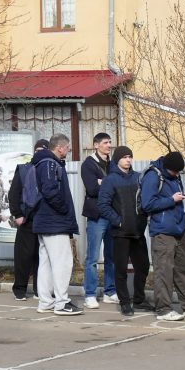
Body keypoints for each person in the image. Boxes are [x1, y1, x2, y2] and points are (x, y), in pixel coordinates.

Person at [139, 151, 185, 321]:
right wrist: (171, 200)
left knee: (184, 269)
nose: (177, 174)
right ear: (168, 167)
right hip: (162, 231)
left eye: (178, 172)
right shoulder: (153, 176)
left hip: (179, 229)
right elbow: (147, 204)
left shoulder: (174, 176)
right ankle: (163, 309)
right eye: (175, 172)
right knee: (164, 272)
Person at [98, 146, 153, 316]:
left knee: (143, 267)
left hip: (138, 231)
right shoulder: (110, 180)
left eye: (130, 156)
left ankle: (138, 299)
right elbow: (103, 206)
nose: (128, 160)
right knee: (120, 269)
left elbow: (145, 201)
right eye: (125, 157)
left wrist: (142, 220)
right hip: (120, 233)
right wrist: (118, 221)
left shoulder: (138, 178)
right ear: (117, 159)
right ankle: (124, 302)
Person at [31, 134, 81, 315]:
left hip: (45, 221)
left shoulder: (42, 162)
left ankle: (45, 301)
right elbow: (50, 191)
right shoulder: (49, 164)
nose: (68, 150)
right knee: (62, 262)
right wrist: (64, 210)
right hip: (54, 221)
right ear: (59, 148)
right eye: (67, 147)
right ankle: (61, 303)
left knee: (46, 263)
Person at [80, 132, 117, 308]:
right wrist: (104, 183)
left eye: (110, 142)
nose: (109, 145)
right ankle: (90, 294)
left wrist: (104, 182)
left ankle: (110, 292)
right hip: (96, 216)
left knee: (112, 256)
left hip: (112, 215)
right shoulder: (88, 164)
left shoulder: (113, 163)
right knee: (92, 258)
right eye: (105, 142)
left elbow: (118, 184)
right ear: (96, 145)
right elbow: (92, 189)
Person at [8, 138, 47, 301]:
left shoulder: (49, 169)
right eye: (37, 150)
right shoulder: (24, 169)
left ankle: (40, 290)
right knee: (23, 257)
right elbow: (14, 193)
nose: (40, 154)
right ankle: (20, 290)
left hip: (44, 221)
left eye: (43, 151)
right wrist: (17, 214)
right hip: (26, 220)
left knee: (42, 258)